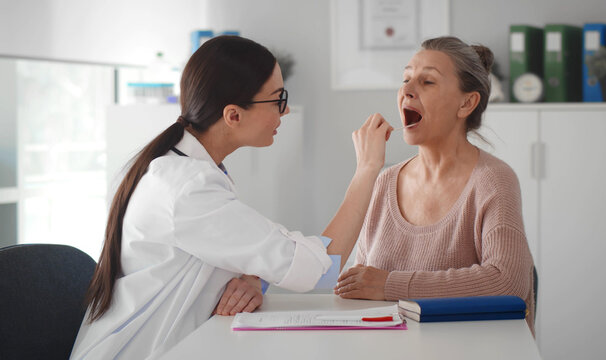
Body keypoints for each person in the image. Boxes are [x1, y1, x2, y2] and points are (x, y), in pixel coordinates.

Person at [70, 36, 393, 359]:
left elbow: (231, 255)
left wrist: (253, 279)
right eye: (278, 99)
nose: (287, 109)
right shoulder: (190, 189)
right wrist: (367, 169)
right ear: (233, 115)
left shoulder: (186, 170)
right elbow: (318, 270)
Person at [334, 36, 536, 333]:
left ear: (467, 103)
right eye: (405, 79)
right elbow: (360, 287)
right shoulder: (384, 181)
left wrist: (391, 285)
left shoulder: (493, 180)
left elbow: (508, 282)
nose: (407, 90)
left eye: (427, 82)